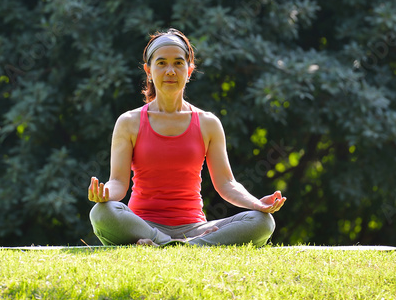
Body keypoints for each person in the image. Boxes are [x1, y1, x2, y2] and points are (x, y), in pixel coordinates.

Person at [88, 28, 286, 246]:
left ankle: (182, 245)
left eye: (178, 63)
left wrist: (256, 204)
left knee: (262, 221)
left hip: (195, 228)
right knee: (101, 212)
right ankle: (173, 243)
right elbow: (118, 182)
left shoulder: (208, 123)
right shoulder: (129, 122)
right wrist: (106, 194)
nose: (170, 71)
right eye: (161, 63)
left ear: (190, 70)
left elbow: (227, 183)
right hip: (142, 224)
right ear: (149, 71)